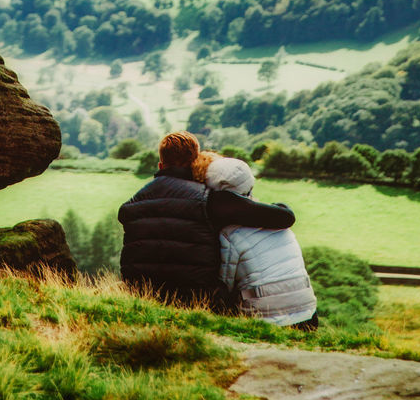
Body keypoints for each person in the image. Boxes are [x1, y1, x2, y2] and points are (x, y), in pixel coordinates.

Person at [117, 131, 295, 308]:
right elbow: (283, 218)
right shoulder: (208, 199)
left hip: (140, 294)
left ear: (160, 165)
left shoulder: (132, 204)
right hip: (195, 298)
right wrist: (282, 206)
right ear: (196, 160)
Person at [197, 153, 318, 330]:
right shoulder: (280, 223)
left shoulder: (230, 234)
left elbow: (225, 283)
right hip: (308, 313)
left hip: (267, 318)